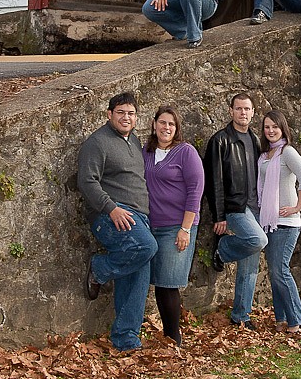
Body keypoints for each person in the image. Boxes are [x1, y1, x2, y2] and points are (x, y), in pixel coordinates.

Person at [77, 92, 158, 352]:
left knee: (137, 277)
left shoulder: (133, 140)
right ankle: (99, 268)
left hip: (139, 217)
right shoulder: (97, 143)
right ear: (109, 114)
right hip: (110, 215)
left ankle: (126, 339)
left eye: (131, 113)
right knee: (147, 247)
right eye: (121, 112)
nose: (126, 117)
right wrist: (111, 209)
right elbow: (86, 181)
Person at [203, 93, 268, 330]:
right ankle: (222, 249)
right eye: (239, 108)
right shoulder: (220, 141)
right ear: (231, 111)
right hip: (235, 207)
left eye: (247, 109)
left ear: (253, 113)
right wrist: (219, 215)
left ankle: (241, 316)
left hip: (255, 206)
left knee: (250, 265)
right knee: (258, 240)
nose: (243, 113)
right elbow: (214, 181)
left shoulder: (256, 140)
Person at [143, 105, 205, 346]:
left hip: (177, 227)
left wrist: (185, 229)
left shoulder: (185, 152)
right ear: (154, 124)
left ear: (177, 128)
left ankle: (174, 339)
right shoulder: (146, 151)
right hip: (151, 226)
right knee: (160, 283)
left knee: (169, 283)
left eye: (171, 124)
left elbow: (195, 192)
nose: (166, 127)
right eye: (162, 122)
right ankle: (169, 337)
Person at [257, 109, 301, 335]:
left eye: (275, 127)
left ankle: (296, 318)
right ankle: (281, 318)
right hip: (269, 220)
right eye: (267, 127)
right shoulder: (265, 154)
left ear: (283, 129)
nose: (271, 131)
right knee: (274, 272)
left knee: (280, 270)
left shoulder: (287, 152)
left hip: (287, 222)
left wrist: (297, 207)